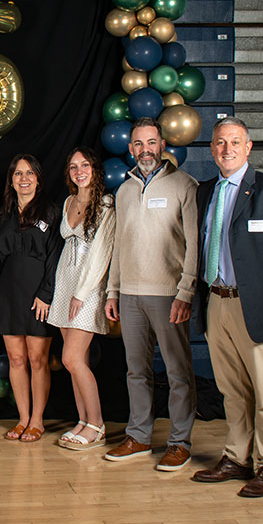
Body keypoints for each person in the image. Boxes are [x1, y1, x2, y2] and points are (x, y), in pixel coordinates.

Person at [191, 117, 263, 497]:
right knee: (232, 389)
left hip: (256, 305)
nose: (227, 149)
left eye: (235, 142)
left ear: (249, 147)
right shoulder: (205, 192)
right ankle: (236, 458)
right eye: (220, 142)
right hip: (217, 301)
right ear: (212, 148)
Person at [104, 117, 198, 472]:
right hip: (130, 294)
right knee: (136, 371)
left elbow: (194, 245)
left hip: (168, 294)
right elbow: (119, 244)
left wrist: (185, 291)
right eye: (139, 144)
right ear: (131, 149)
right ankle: (139, 436)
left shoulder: (184, 185)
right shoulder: (124, 191)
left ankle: (179, 442)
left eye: (152, 142)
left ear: (163, 145)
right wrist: (113, 290)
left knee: (177, 372)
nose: (146, 150)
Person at [0, 154, 62, 442]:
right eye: (18, 173)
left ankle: (37, 421)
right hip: (8, 292)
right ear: (11, 180)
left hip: (38, 293)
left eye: (29, 173)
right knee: (16, 359)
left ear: (38, 179)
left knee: (38, 359)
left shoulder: (51, 212)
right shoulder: (3, 214)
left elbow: (55, 256)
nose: (24, 178)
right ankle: (22, 419)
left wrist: (46, 293)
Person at [50, 148, 115, 451]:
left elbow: (101, 254)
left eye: (85, 165)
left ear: (95, 169)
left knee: (71, 358)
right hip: (64, 283)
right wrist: (65, 291)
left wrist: (81, 293)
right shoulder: (68, 201)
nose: (79, 171)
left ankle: (97, 425)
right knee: (78, 362)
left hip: (87, 288)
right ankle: (83, 421)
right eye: (74, 166)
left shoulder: (106, 204)